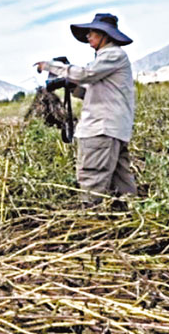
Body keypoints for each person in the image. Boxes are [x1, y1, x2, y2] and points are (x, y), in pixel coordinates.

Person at [35, 13, 137, 205]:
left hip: (101, 129)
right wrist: (71, 85)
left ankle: (93, 221)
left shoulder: (112, 54)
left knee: (92, 177)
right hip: (113, 130)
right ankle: (130, 216)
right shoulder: (106, 61)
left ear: (105, 35)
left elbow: (85, 74)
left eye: (92, 33)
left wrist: (51, 66)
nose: (88, 37)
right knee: (120, 181)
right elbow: (88, 92)